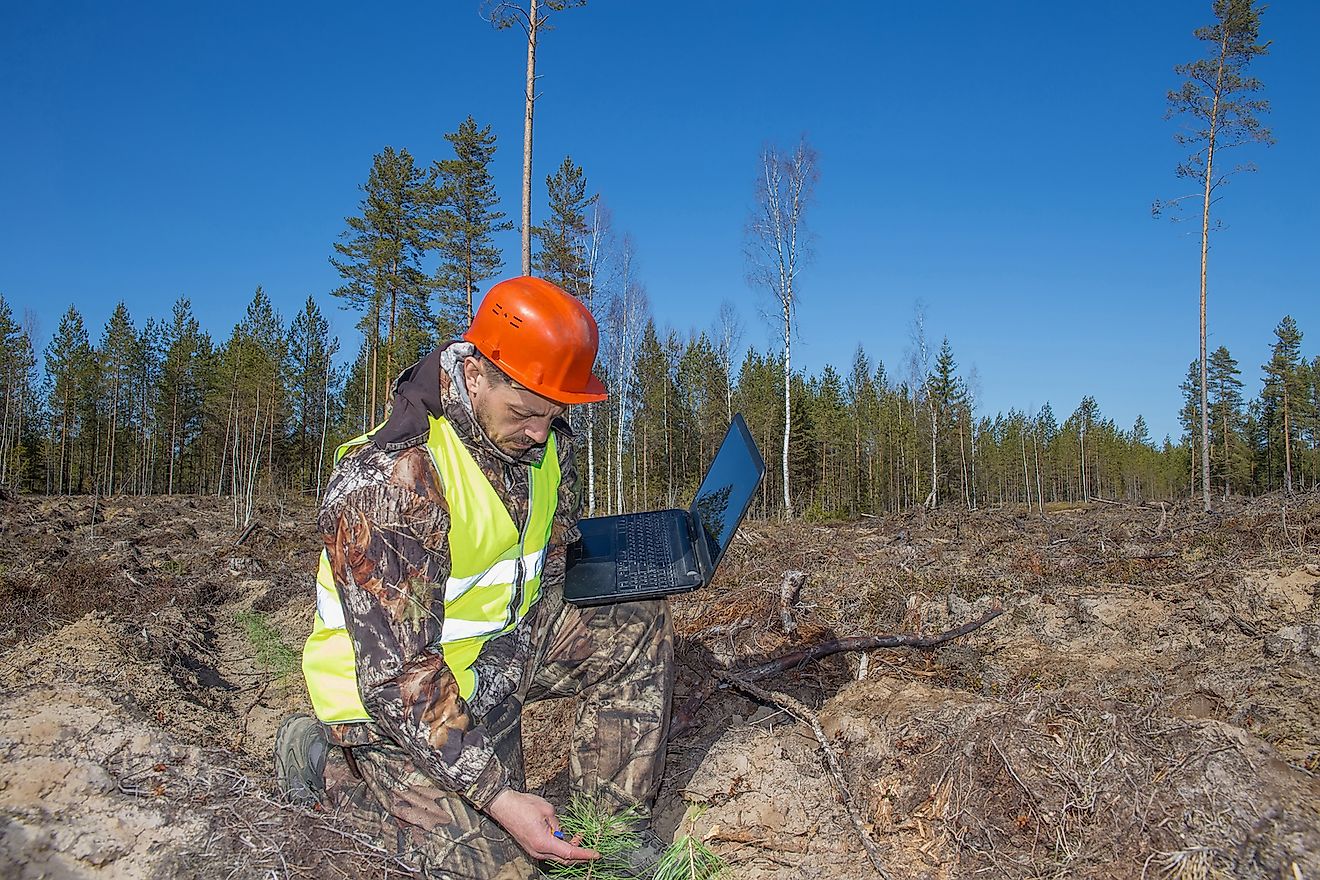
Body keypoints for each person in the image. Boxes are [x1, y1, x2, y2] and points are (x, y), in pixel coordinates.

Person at [275, 276, 674, 879]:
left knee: (636, 617)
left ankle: (607, 830)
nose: (540, 434)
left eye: (553, 414)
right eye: (525, 413)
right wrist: (498, 795)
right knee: (508, 867)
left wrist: (641, 557)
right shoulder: (394, 482)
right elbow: (399, 678)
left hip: (493, 659)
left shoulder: (534, 441)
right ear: (477, 373)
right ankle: (326, 767)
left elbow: (544, 551)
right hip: (390, 706)